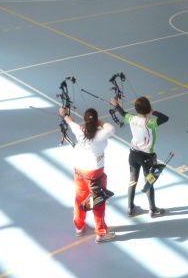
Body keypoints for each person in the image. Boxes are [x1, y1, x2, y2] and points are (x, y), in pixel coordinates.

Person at [60, 106, 116, 243]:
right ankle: (101, 233)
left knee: (80, 198)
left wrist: (64, 113)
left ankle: (79, 228)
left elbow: (69, 120)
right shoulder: (101, 133)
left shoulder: (79, 130)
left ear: (84, 121)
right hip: (95, 173)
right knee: (98, 201)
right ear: (96, 121)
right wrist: (99, 122)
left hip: (79, 170)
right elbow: (111, 128)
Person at [111, 96, 169, 218]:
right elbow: (165, 118)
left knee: (132, 181)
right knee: (149, 182)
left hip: (133, 154)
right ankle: (152, 209)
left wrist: (116, 104)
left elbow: (123, 113)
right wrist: (152, 112)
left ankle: (130, 207)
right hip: (147, 156)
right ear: (148, 109)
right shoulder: (150, 123)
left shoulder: (131, 118)